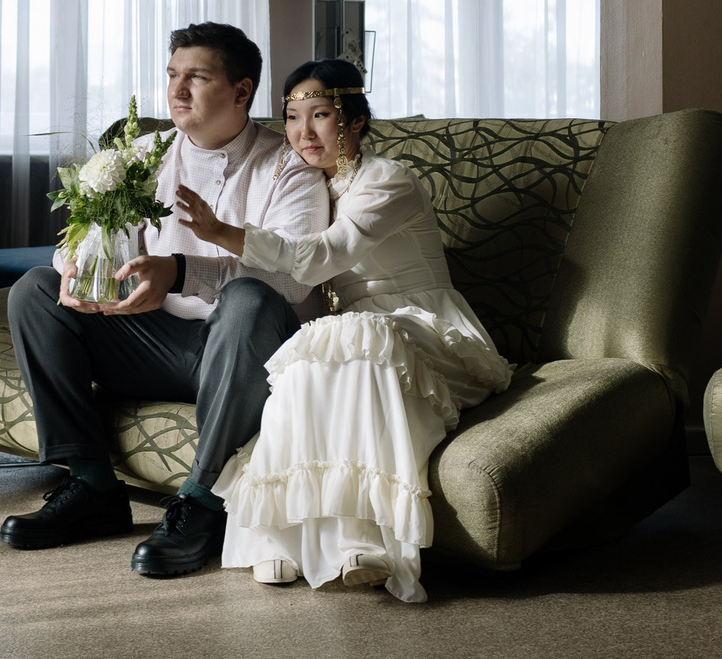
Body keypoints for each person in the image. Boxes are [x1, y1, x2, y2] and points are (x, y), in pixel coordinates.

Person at [172, 59, 513, 602]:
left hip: (422, 323)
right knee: (304, 363)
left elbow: (323, 257)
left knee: (358, 343)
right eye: (292, 118)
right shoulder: (311, 188)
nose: (303, 132)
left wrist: (223, 232)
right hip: (354, 331)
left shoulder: (389, 181)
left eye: (321, 115)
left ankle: (365, 541)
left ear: (355, 120)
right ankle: (278, 539)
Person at [0, 23, 331, 578]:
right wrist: (77, 267)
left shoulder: (290, 166)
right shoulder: (141, 155)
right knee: (34, 290)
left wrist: (179, 273)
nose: (177, 90)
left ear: (242, 91)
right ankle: (91, 485)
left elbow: (294, 280)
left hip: (243, 353)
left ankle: (202, 503)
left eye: (196, 77)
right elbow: (81, 242)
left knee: (248, 298)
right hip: (152, 342)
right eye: (173, 75)